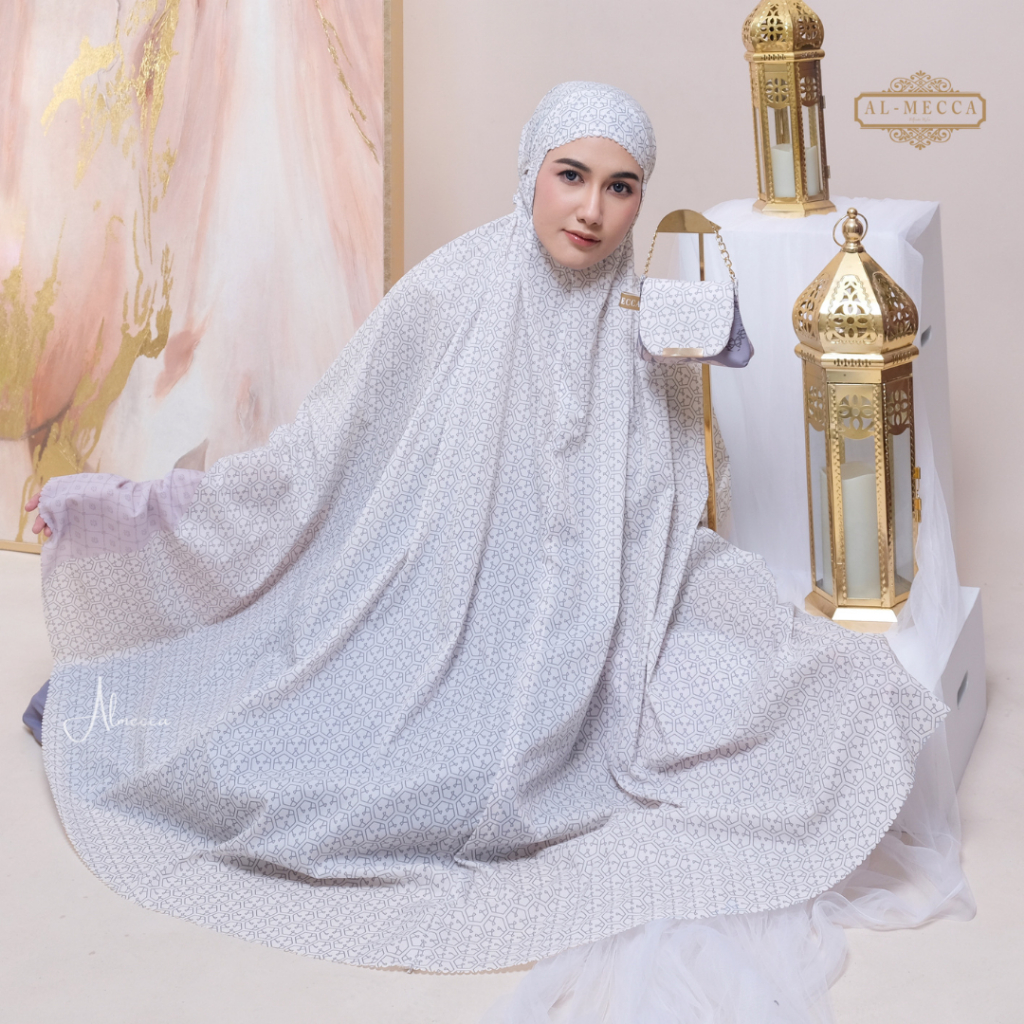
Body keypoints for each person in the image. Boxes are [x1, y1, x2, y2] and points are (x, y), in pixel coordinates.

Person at [23, 82, 942, 974]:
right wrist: (128, 510)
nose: (591, 210)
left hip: (615, 595)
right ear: (531, 171)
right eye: (571, 175)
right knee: (347, 773)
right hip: (430, 594)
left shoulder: (648, 315)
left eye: (621, 187)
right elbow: (314, 455)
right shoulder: (449, 289)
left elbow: (674, 484)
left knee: (830, 685)